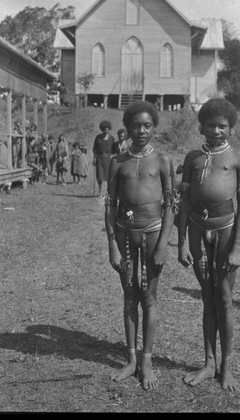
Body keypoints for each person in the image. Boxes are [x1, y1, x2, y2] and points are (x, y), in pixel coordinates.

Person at [176, 98, 240, 392]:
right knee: (207, 298)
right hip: (196, 228)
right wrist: (181, 242)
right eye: (211, 125)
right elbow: (184, 202)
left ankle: (227, 367)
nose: (217, 130)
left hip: (226, 230)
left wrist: (238, 247)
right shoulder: (192, 158)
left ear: (231, 129)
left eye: (222, 126)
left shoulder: (238, 158)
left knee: (225, 298)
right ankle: (209, 363)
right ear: (201, 127)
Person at [105, 100, 179, 391]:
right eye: (136, 125)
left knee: (149, 297)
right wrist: (112, 244)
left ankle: (147, 360)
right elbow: (110, 205)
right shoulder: (118, 162)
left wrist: (164, 244)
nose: (141, 130)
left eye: (147, 125)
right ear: (127, 127)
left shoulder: (162, 161)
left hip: (152, 233)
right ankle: (132, 359)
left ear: (154, 128)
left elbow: (172, 204)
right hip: (124, 234)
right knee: (129, 297)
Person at [92, 120, 114, 197]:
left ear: (109, 129)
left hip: (108, 159)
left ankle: (108, 192)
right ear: (102, 129)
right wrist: (94, 158)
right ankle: (100, 192)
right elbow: (94, 149)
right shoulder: (98, 138)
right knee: (99, 177)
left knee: (109, 177)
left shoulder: (111, 138)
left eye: (107, 129)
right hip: (100, 159)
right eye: (104, 129)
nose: (106, 131)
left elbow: (114, 150)